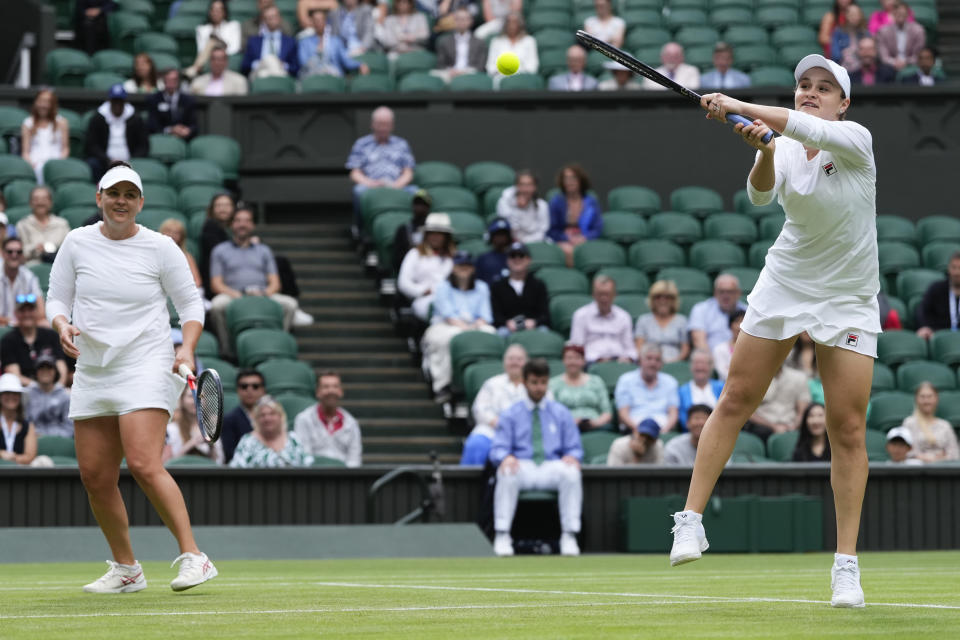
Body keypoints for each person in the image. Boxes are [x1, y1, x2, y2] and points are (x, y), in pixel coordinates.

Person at [671, 55, 880, 609]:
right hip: (787, 279)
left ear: (843, 103)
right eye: (803, 86)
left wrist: (737, 104)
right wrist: (764, 149)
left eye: (823, 88)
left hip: (849, 295)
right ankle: (690, 520)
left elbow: (804, 128)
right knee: (736, 395)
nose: (810, 93)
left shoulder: (855, 139)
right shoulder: (784, 143)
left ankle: (846, 566)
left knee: (848, 428)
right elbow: (762, 195)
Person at [46, 162, 216, 592]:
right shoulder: (76, 242)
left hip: (146, 362)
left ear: (140, 202)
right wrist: (62, 325)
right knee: (95, 476)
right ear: (98, 198)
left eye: (129, 195)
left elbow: (191, 307)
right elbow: (56, 298)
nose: (120, 201)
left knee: (142, 462)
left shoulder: (161, 247)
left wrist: (187, 347)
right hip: (94, 367)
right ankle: (127, 570)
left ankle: (195, 557)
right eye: (113, 193)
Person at [489, 358, 583, 557]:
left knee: (572, 473)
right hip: (523, 466)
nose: (539, 387)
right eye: (534, 382)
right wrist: (505, 457)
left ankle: (569, 535)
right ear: (524, 382)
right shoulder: (511, 414)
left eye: (543, 382)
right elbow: (498, 448)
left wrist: (573, 457)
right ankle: (502, 533)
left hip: (551, 465)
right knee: (505, 471)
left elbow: (574, 447)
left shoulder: (561, 412)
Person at [208, 208, 302, 350]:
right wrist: (236, 295)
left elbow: (275, 283)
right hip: (233, 295)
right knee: (216, 306)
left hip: (262, 294)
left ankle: (280, 345)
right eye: (238, 221)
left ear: (252, 225)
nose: (242, 224)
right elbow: (216, 284)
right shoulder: (220, 250)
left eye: (247, 221)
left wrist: (264, 294)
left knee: (290, 305)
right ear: (232, 225)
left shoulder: (264, 250)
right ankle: (227, 349)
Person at [420, 251, 495, 402]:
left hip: (474, 325)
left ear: (473, 268)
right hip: (445, 326)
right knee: (448, 338)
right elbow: (448, 316)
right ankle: (442, 385)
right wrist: (466, 329)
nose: (464, 269)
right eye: (460, 266)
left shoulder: (482, 287)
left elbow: (485, 316)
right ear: (454, 268)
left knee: (491, 333)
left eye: (467, 266)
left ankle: (487, 382)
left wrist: (474, 326)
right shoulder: (443, 287)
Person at [346, 106, 416, 235]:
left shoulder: (402, 144)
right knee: (358, 191)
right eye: (380, 124)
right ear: (373, 124)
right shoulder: (361, 144)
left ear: (392, 125)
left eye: (386, 124)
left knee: (417, 193)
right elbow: (354, 172)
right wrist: (369, 183)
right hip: (370, 186)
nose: (383, 128)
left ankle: (414, 230)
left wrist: (397, 185)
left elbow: (408, 172)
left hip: (397, 185)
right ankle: (361, 231)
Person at [461, 344, 528, 465]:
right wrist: (497, 422)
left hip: (525, 433)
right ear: (504, 362)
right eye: (511, 359)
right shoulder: (492, 383)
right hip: (492, 430)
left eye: (519, 359)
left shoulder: (535, 386)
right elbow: (479, 409)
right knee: (475, 444)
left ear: (526, 363)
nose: (515, 363)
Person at [293, 371, 362, 467]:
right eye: (326, 387)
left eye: (335, 386)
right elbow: (304, 457)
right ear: (317, 392)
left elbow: (354, 461)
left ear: (341, 392)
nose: (331, 391)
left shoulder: (351, 423)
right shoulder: (303, 420)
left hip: (343, 478)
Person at [84, 84, 149, 182]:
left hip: (131, 163)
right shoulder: (98, 118)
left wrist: (129, 161)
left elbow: (144, 145)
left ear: (125, 102)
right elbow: (91, 145)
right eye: (115, 101)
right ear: (110, 101)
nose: (117, 105)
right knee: (93, 163)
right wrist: (107, 160)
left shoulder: (135, 119)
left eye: (120, 101)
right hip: (104, 163)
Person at [397, 212, 456, 320]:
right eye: (432, 233)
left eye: (440, 233)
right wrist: (423, 290)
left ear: (446, 237)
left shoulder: (453, 257)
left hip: (451, 299)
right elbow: (403, 283)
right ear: (426, 235)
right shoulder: (415, 254)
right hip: (424, 300)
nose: (435, 237)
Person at [229, 396, 314, 467]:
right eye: (262, 415)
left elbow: (308, 465)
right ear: (256, 419)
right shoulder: (247, 441)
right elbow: (236, 468)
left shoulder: (293, 439)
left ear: (281, 416)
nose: (267, 418)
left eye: (272, 414)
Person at [569, 275, 636, 364]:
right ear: (593, 295)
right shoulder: (581, 315)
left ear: (614, 295)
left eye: (607, 294)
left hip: (620, 362)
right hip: (591, 363)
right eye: (600, 294)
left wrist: (629, 358)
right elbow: (577, 348)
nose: (604, 298)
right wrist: (596, 359)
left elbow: (629, 348)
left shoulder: (624, 316)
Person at [1, 295, 67, 385]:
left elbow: (61, 367)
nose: (27, 314)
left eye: (30, 310)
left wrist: (57, 388)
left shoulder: (51, 336)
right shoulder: (8, 341)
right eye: (22, 311)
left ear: (37, 312)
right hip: (24, 391)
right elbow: (15, 375)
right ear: (15, 314)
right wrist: (41, 389)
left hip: (53, 388)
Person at [615, 343, 679, 435]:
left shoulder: (670, 382)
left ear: (661, 363)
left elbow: (673, 413)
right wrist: (640, 431)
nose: (653, 363)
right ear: (640, 360)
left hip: (662, 430)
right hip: (634, 429)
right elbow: (623, 413)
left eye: (657, 360)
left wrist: (663, 432)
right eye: (649, 358)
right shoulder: (625, 380)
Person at [547, 164, 602, 267]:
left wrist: (585, 237)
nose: (569, 181)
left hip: (585, 239)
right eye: (566, 178)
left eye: (573, 178)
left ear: (580, 180)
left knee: (593, 252)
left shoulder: (591, 202)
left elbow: (597, 229)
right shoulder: (556, 202)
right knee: (570, 251)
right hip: (564, 241)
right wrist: (567, 238)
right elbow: (552, 230)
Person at [549, 343, 612, 431]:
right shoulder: (553, 383)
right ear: (563, 360)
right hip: (564, 427)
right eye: (569, 358)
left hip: (596, 427)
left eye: (577, 358)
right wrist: (568, 422)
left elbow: (607, 412)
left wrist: (596, 423)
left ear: (584, 361)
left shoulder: (596, 381)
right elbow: (551, 412)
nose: (573, 362)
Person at [742, 362, 811, 442]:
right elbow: (747, 412)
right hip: (762, 425)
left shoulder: (799, 377)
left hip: (790, 424)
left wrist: (795, 426)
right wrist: (774, 426)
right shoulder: (753, 377)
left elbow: (802, 411)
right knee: (761, 432)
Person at [490, 242, 549, 335]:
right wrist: (507, 322)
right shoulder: (498, 286)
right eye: (513, 256)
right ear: (507, 260)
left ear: (529, 260)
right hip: (507, 328)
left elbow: (545, 315)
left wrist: (534, 322)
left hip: (534, 327)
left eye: (521, 255)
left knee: (544, 332)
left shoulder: (538, 284)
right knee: (501, 333)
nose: (517, 259)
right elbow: (496, 315)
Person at [898, 382, 960, 463]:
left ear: (936, 399)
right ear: (916, 399)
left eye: (930, 396)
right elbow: (906, 451)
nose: (926, 401)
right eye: (922, 397)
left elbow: (955, 454)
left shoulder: (945, 425)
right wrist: (925, 458)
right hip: (917, 469)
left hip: (943, 469)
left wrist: (940, 459)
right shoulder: (909, 423)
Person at [298, 9, 370, 78]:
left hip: (333, 77)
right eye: (316, 20)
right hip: (312, 77)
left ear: (325, 21)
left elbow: (345, 60)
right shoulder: (304, 42)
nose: (318, 23)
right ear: (312, 22)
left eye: (321, 20)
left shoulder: (335, 41)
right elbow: (303, 63)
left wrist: (359, 64)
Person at [21, 89, 69, 185]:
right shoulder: (27, 123)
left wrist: (59, 164)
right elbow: (25, 152)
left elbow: (65, 149)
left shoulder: (62, 122)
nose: (43, 105)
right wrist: (31, 165)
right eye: (41, 101)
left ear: (53, 104)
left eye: (47, 102)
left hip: (56, 164)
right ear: (36, 102)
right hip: (35, 165)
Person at [634, 280, 689, 364]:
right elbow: (639, 348)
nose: (663, 301)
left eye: (667, 297)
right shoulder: (643, 320)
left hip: (674, 364)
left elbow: (685, 349)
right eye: (658, 297)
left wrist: (674, 362)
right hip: (650, 364)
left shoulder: (681, 320)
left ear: (673, 300)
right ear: (652, 300)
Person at [184, 0, 242, 79]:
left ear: (224, 12)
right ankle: (196, 68)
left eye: (219, 10)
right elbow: (201, 50)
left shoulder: (233, 26)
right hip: (208, 59)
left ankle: (195, 68)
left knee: (212, 42)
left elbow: (234, 48)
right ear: (209, 12)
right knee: (211, 42)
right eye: (213, 10)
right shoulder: (202, 29)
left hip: (226, 59)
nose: (216, 13)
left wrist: (218, 42)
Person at [162, 389, 222, 464]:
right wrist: (192, 443)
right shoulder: (172, 429)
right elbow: (167, 463)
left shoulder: (211, 429)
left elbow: (219, 462)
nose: (196, 400)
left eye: (201, 396)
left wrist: (212, 447)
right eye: (191, 396)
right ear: (182, 400)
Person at [688, 274, 746, 351]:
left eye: (730, 292)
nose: (725, 296)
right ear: (715, 293)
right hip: (711, 359)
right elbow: (699, 341)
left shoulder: (748, 311)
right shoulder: (701, 309)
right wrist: (712, 361)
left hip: (740, 358)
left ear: (738, 293)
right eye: (721, 292)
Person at [241, 5, 301, 78]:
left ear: (280, 18)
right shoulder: (253, 41)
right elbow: (245, 65)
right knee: (269, 62)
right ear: (264, 21)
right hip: (258, 73)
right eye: (269, 18)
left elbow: (296, 67)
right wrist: (260, 63)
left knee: (268, 71)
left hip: (281, 72)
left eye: (274, 17)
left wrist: (284, 65)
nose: (272, 20)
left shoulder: (290, 42)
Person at [221, 368, 266, 464]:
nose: (249, 390)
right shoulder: (229, 420)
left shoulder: (272, 417)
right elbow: (230, 454)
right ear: (238, 390)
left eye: (255, 386)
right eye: (244, 386)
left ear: (263, 390)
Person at [17, 186, 71, 265]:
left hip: (58, 265)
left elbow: (69, 248)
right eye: (36, 199)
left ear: (51, 202)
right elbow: (18, 252)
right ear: (30, 203)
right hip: (32, 267)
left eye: (44, 199)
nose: (40, 202)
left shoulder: (62, 224)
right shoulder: (23, 224)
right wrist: (35, 248)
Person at [0, 237, 45, 326]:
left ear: (22, 255)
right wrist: (8, 321)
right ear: (3, 253)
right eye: (10, 252)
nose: (14, 255)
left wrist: (21, 322)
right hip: (1, 325)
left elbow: (41, 313)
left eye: (19, 252)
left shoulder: (29, 277)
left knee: (45, 324)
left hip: (23, 326)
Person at [25, 354, 73, 439]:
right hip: (33, 440)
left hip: (59, 441)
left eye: (49, 368)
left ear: (55, 372)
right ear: (36, 372)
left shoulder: (65, 396)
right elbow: (25, 422)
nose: (45, 371)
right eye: (41, 368)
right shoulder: (28, 394)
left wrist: (52, 439)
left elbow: (69, 427)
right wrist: (32, 436)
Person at [676, 349, 724, 433]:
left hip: (719, 432)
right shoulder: (682, 391)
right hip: (692, 433)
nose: (700, 367)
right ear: (691, 366)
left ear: (711, 366)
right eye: (697, 363)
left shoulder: (721, 387)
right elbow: (683, 418)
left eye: (704, 363)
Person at [496, 171, 549, 245]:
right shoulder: (504, 202)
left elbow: (543, 231)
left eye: (529, 185)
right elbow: (511, 229)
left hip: (535, 243)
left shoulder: (542, 205)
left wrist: (526, 242)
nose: (525, 189)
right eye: (522, 185)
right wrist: (519, 209)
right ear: (516, 186)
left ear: (535, 187)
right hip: (509, 243)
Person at [435, 8, 488, 82]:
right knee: (435, 75)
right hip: (450, 73)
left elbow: (481, 66)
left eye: (465, 19)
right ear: (454, 20)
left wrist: (464, 71)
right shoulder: (444, 41)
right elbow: (440, 64)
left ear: (471, 21)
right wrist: (451, 71)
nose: (462, 22)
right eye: (458, 19)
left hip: (471, 73)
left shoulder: (479, 42)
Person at [916, 251, 960, 338]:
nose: (957, 272)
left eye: (959, 268)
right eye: (953, 267)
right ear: (948, 269)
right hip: (939, 336)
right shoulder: (936, 289)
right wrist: (925, 327)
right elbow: (923, 311)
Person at [146, 69, 198, 141]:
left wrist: (187, 130)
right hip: (162, 138)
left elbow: (194, 125)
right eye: (168, 79)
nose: (171, 82)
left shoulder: (188, 100)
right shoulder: (154, 99)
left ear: (178, 81)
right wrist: (170, 130)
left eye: (174, 80)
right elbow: (152, 125)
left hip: (183, 139)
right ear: (164, 80)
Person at [391, 189, 432, 275]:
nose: (419, 207)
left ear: (428, 207)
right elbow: (396, 259)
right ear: (413, 206)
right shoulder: (403, 230)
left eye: (423, 204)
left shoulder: (434, 231)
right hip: (408, 270)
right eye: (417, 203)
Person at [0, 373, 38, 466]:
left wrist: (12, 458)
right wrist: (1, 454)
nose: (11, 396)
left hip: (20, 476)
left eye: (15, 393)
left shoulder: (28, 426)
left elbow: (30, 456)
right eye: (7, 393)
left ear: (20, 396)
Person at [485, 12, 539, 76]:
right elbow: (490, 66)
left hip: (522, 77)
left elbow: (532, 67)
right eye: (509, 22)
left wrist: (516, 72)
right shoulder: (496, 41)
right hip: (501, 77)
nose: (511, 25)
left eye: (514, 22)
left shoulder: (529, 41)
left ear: (520, 24)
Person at [876, 2, 925, 72]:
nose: (900, 15)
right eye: (897, 13)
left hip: (911, 64)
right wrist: (894, 62)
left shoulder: (918, 31)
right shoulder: (883, 31)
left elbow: (918, 55)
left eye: (903, 13)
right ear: (893, 14)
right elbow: (883, 56)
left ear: (908, 14)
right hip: (890, 65)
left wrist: (905, 62)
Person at [159, 218, 203, 291]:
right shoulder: (153, 253)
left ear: (181, 237)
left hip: (183, 292)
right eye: (169, 231)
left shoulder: (186, 256)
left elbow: (197, 281)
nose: (172, 235)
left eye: (176, 233)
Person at [475, 218, 512, 285]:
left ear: (509, 236)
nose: (501, 237)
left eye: (503, 234)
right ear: (491, 236)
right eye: (497, 234)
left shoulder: (516, 257)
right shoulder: (483, 259)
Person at [712, 309, 744, 381]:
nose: (740, 326)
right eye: (737, 321)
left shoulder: (754, 350)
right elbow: (722, 373)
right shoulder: (719, 349)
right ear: (730, 325)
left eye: (744, 321)